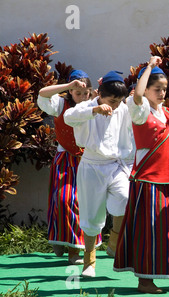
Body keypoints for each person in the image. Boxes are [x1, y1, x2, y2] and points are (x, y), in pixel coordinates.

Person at [113, 56, 169, 294]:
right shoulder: (139, 110)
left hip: (168, 179)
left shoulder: (168, 113)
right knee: (151, 231)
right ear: (146, 88)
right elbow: (137, 96)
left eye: (164, 89)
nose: (161, 93)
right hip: (148, 180)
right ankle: (145, 281)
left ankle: (153, 273)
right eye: (156, 89)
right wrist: (147, 68)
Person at [64, 70, 135, 277]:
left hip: (116, 165)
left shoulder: (123, 108)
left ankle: (114, 242)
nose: (115, 105)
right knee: (91, 214)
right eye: (111, 100)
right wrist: (94, 110)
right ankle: (89, 261)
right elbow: (69, 117)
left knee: (124, 198)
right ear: (99, 94)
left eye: (119, 100)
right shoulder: (86, 106)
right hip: (91, 166)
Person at [37, 70, 101, 265]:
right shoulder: (59, 105)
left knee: (86, 204)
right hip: (65, 159)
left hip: (88, 160)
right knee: (64, 199)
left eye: (85, 93)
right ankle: (63, 241)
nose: (82, 97)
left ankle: (75, 249)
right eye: (77, 93)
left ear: (90, 92)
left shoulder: (94, 106)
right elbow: (42, 93)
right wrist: (67, 86)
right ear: (71, 93)